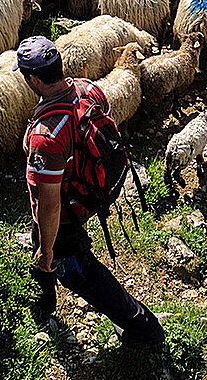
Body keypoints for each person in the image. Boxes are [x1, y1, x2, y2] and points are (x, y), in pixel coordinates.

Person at [17, 35, 164, 346]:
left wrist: (47, 249)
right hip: (91, 188)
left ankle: (143, 327)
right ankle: (42, 303)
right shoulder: (88, 88)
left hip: (68, 209)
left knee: (80, 271)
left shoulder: (46, 135)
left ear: (32, 79)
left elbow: (50, 204)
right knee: (39, 240)